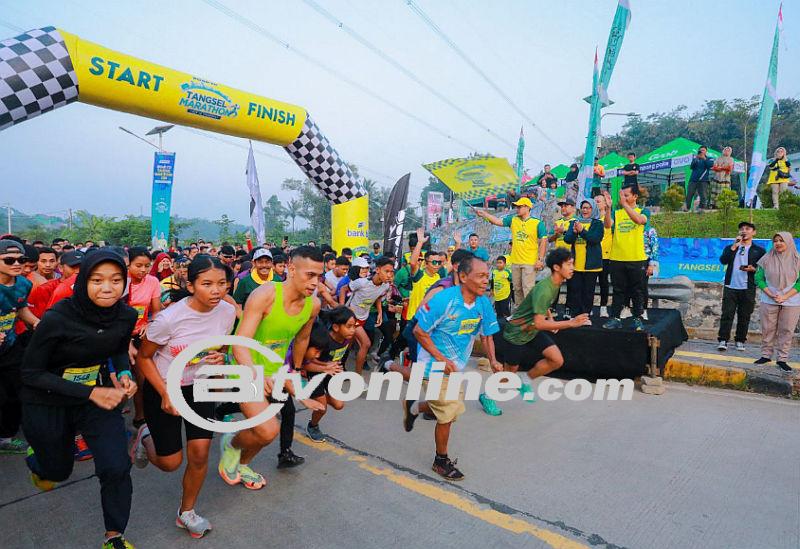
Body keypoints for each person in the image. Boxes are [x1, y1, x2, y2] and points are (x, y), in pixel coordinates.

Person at [21, 250, 138, 549]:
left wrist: (124, 373)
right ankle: (40, 464)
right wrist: (91, 391)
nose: (108, 288)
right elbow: (31, 373)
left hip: (96, 398)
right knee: (57, 471)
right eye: (97, 280)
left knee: (115, 466)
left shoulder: (126, 314)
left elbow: (118, 347)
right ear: (83, 280)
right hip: (46, 399)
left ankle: (114, 536)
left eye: (115, 280)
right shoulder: (57, 317)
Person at [131, 256, 235, 538]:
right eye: (207, 284)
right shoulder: (168, 319)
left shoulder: (227, 312)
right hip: (164, 387)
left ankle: (186, 512)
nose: (216, 290)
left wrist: (220, 356)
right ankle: (145, 436)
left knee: (200, 453)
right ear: (190, 285)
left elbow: (220, 347)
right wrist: (165, 393)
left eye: (222, 283)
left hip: (200, 386)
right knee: (170, 463)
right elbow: (143, 358)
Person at [221, 246, 325, 490]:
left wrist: (296, 374)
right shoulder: (265, 295)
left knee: (265, 432)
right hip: (243, 365)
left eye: (319, 276)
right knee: (268, 429)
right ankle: (231, 448)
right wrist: (256, 374)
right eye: (309, 275)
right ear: (290, 269)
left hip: (274, 368)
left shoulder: (313, 305)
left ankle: (243, 463)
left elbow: (301, 339)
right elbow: (240, 344)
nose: (315, 282)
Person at [402, 255, 502, 481]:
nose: (486, 280)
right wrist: (440, 359)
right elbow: (419, 331)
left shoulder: (483, 303)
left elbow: (486, 336)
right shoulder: (443, 300)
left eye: (488, 275)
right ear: (463, 277)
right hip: (432, 366)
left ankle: (415, 408)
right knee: (448, 412)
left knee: (452, 411)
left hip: (455, 367)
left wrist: (494, 360)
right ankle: (441, 461)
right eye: (480, 276)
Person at [487, 248, 588, 415]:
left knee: (556, 359)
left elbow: (542, 307)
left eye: (573, 264)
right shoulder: (545, 288)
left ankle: (524, 380)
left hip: (531, 329)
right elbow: (540, 323)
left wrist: (552, 320)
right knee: (507, 375)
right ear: (556, 267)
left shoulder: (554, 284)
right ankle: (488, 396)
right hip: (517, 332)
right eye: (569, 264)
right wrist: (570, 323)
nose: (573, 268)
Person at [0, 240, 39, 454]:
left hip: (10, 346)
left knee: (16, 392)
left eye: (21, 260)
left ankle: (6, 437)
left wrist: (37, 323)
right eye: (9, 260)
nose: (17, 263)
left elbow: (21, 308)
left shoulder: (23, 284)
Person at [476, 197, 547, 303]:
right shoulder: (513, 219)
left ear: (527, 208)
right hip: (515, 261)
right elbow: (497, 221)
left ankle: (529, 315)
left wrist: (540, 259)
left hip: (529, 262)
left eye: (519, 206)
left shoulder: (537, 223)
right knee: (517, 289)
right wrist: (484, 214)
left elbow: (544, 241)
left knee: (528, 289)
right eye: (516, 206)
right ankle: (519, 314)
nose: (517, 208)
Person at [602, 185, 651, 332]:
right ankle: (616, 318)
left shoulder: (643, 211)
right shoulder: (617, 213)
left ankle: (637, 318)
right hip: (617, 258)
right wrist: (609, 208)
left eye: (626, 195)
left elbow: (639, 221)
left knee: (637, 290)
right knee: (618, 290)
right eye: (622, 195)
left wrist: (624, 205)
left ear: (635, 196)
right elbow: (607, 225)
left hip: (636, 259)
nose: (623, 198)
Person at [303, 307, 356, 442]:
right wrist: (325, 367)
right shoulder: (324, 340)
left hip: (329, 372)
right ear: (336, 327)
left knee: (339, 405)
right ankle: (312, 426)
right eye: (349, 326)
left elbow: (338, 357)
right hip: (315, 373)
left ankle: (318, 397)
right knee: (322, 408)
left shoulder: (346, 339)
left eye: (354, 326)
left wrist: (338, 368)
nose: (353, 330)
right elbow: (307, 363)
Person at [126, 248, 163, 430]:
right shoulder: (121, 281)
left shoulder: (153, 281)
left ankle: (140, 416)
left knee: (142, 379)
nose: (143, 270)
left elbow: (156, 310)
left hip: (141, 334)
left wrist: (150, 323)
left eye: (147, 266)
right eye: (138, 265)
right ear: (128, 264)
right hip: (118, 334)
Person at [753, 232, 800, 371]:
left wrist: (785, 296)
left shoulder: (797, 260)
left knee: (787, 329)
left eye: (782, 241)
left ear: (789, 242)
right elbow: (759, 278)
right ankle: (766, 355)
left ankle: (782, 359)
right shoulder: (766, 258)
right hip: (769, 298)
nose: (778, 243)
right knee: (768, 328)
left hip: (791, 300)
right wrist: (770, 293)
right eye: (775, 241)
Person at [717, 222, 766, 352]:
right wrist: (734, 246)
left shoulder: (759, 250)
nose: (744, 231)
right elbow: (723, 260)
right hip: (730, 286)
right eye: (742, 229)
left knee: (744, 315)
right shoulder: (731, 247)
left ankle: (740, 340)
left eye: (747, 229)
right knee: (727, 314)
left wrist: (753, 269)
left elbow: (763, 270)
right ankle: (723, 340)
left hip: (748, 287)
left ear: (753, 232)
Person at [346, 257, 394, 374]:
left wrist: (380, 313)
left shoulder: (385, 286)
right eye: (386, 271)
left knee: (347, 345)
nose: (389, 275)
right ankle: (357, 377)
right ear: (377, 270)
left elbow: (377, 296)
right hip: (351, 316)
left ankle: (340, 364)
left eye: (391, 272)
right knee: (366, 343)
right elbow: (343, 289)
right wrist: (341, 307)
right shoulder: (362, 282)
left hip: (363, 317)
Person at [563, 200, 604, 316]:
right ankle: (575, 316)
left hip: (591, 265)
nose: (585, 210)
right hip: (576, 265)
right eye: (583, 208)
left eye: (588, 208)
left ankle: (585, 315)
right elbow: (567, 239)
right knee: (575, 292)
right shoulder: (574, 222)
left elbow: (595, 239)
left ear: (593, 209)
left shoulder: (597, 224)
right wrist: (575, 232)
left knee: (588, 293)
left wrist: (582, 231)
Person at [594, 194, 613, 317]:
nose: (596, 203)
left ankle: (603, 307)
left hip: (605, 256)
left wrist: (608, 210)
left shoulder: (608, 217)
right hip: (592, 255)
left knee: (603, 283)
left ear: (605, 204)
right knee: (589, 284)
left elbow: (609, 224)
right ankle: (588, 307)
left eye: (599, 201)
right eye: (595, 201)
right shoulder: (591, 218)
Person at [686, 146, 715, 211]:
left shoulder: (709, 158)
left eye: (703, 150)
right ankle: (687, 208)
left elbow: (710, 165)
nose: (701, 151)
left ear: (706, 151)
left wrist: (704, 158)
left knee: (703, 195)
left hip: (703, 180)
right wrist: (696, 158)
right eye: (700, 150)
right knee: (689, 194)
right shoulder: (696, 158)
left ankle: (701, 208)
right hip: (693, 179)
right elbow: (691, 166)